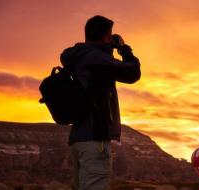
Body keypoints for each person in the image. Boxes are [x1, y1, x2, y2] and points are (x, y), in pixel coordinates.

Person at [60, 15, 141, 190]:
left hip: (78, 138)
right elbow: (132, 73)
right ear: (106, 37)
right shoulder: (96, 58)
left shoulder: (76, 56)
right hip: (95, 138)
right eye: (109, 36)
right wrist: (124, 49)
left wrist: (106, 48)